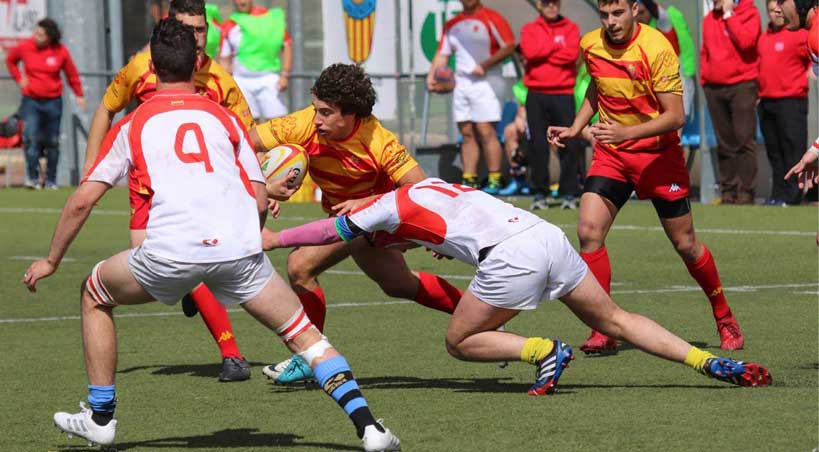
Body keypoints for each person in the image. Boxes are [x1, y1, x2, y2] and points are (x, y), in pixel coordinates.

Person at [21, 19, 400, 452]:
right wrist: (248, 239)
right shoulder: (226, 118)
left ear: (152, 67)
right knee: (307, 338)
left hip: (169, 254)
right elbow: (259, 198)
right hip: (239, 252)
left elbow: (81, 202)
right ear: (198, 64)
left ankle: (101, 417)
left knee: (94, 293)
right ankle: (370, 429)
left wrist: (51, 261)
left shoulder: (135, 124)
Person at [263, 178, 773, 394]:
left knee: (459, 341)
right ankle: (709, 363)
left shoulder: (381, 211)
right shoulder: (426, 186)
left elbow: (329, 233)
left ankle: (542, 350)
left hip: (511, 256)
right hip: (545, 236)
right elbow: (440, 223)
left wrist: (274, 239)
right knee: (614, 319)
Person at [548, 0, 745, 354]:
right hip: (612, 156)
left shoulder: (657, 48)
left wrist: (626, 133)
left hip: (658, 159)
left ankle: (723, 314)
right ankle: (603, 327)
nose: (611, 22)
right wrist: (576, 128)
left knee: (686, 245)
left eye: (618, 13)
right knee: (588, 232)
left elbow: (675, 116)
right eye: (605, 15)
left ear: (635, 10)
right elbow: (596, 86)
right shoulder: (591, 44)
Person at [249, 63, 464, 384]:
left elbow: (422, 190)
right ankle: (477, 314)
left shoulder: (378, 140)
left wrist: (374, 205)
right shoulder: (302, 124)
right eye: (316, 109)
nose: (316, 119)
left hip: (381, 218)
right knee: (398, 283)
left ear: (352, 115)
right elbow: (246, 145)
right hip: (346, 218)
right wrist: (264, 185)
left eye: (326, 113)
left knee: (300, 265)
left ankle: (310, 355)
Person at [82, 0, 256, 383]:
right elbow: (106, 108)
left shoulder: (222, 81)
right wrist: (91, 166)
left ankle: (231, 353)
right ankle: (193, 291)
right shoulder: (140, 68)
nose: (197, 37)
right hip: (146, 186)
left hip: (200, 189)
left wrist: (261, 185)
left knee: (190, 257)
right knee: (154, 260)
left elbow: (248, 137)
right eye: (188, 29)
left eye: (201, 29)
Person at [426, 0, 514, 194]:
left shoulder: (492, 18)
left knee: (485, 130)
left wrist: (485, 64)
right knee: (466, 132)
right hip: (462, 82)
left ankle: (495, 178)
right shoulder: (452, 24)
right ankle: (469, 179)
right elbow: (442, 53)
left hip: (488, 81)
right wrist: (432, 75)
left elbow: (509, 46)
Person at [5, 18, 86, 190]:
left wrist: (79, 94)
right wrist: (19, 79)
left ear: (50, 37)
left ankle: (51, 180)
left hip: (53, 102)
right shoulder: (25, 47)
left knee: (53, 141)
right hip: (31, 102)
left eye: (41, 34)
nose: (36, 36)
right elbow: (10, 61)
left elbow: (71, 74)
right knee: (30, 138)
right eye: (36, 33)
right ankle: (32, 179)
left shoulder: (60, 51)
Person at [520, 0, 581, 210]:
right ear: (539, 5)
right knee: (537, 145)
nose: (551, 6)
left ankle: (569, 193)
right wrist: (555, 45)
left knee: (568, 143)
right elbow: (529, 53)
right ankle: (540, 193)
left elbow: (571, 55)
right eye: (546, 2)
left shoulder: (571, 28)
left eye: (555, 2)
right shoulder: (529, 28)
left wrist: (543, 51)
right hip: (536, 95)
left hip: (563, 93)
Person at [701, 0, 762, 205]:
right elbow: (705, 51)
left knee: (745, 140)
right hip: (714, 87)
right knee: (724, 143)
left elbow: (747, 42)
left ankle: (746, 192)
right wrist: (704, 78)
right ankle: (728, 190)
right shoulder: (709, 19)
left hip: (742, 85)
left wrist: (729, 16)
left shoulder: (750, 13)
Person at [758, 0, 811, 206]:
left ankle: (794, 195)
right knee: (774, 150)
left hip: (791, 101)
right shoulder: (764, 37)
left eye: (780, 9)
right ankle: (778, 194)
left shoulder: (799, 34)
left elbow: (812, 58)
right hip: (767, 101)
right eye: (772, 10)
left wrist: (811, 71)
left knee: (792, 149)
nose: (777, 13)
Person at [219, 0, 292, 121]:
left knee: (277, 124)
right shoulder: (230, 24)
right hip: (241, 81)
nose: (241, 2)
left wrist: (285, 75)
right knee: (248, 124)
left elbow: (287, 45)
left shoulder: (270, 19)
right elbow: (224, 57)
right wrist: (225, 82)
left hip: (268, 79)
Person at [635, 0, 697, 120]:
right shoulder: (643, 32)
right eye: (637, 13)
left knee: (676, 123)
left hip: (677, 81)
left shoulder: (664, 24)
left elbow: (657, 11)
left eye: (642, 12)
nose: (640, 17)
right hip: (657, 87)